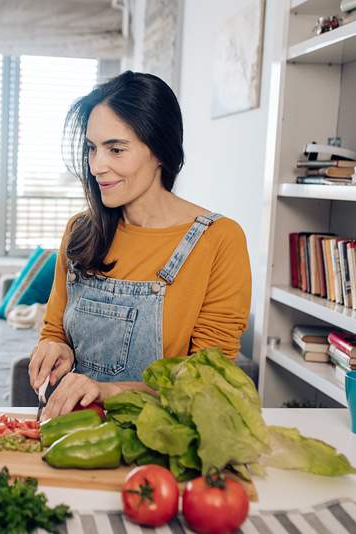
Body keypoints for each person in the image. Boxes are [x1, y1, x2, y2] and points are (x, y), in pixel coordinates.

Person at [29, 71, 251, 420]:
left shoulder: (218, 239)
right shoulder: (79, 231)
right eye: (92, 149)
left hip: (161, 441)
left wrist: (109, 391)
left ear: (160, 150)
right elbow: (55, 329)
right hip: (71, 433)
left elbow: (209, 379)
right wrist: (54, 347)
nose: (97, 166)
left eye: (116, 149)